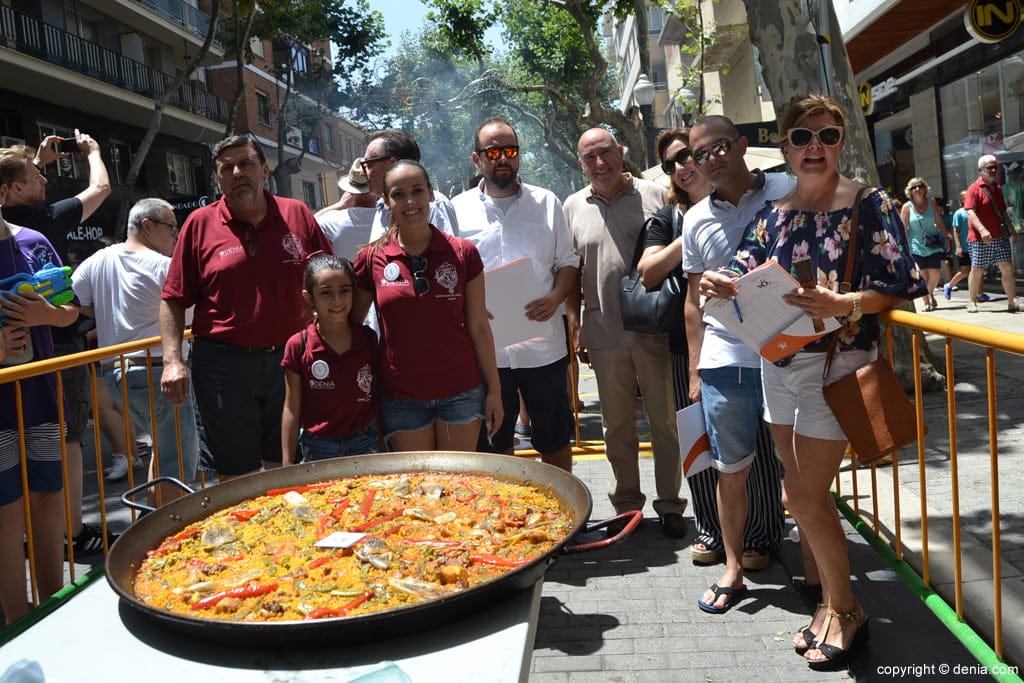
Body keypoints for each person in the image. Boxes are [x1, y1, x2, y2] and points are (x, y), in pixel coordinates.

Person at [701, 94, 925, 669]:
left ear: (841, 142)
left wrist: (844, 301)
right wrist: (720, 283)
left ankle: (848, 612)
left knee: (801, 494)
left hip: (838, 367)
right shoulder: (775, 214)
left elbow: (899, 283)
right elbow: (746, 266)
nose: (814, 149)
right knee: (805, 496)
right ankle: (828, 603)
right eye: (802, 138)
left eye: (826, 136)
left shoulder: (869, 204)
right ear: (786, 147)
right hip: (780, 364)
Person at [160, 135, 333, 480]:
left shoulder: (297, 213)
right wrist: (172, 361)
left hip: (292, 361)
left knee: (288, 463)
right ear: (218, 178)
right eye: (227, 168)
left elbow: (327, 280)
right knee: (235, 473)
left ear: (265, 170)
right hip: (224, 368)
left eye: (247, 164)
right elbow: (173, 297)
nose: (238, 173)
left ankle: (289, 531)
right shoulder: (198, 224)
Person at [682, 115, 790, 602]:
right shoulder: (695, 218)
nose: (712, 159)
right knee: (730, 469)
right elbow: (691, 301)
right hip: (725, 358)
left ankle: (817, 571)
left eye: (720, 146)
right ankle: (732, 567)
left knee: (800, 469)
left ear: (743, 144)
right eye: (701, 153)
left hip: (790, 351)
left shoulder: (787, 188)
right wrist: (694, 368)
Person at [563, 128, 686, 539]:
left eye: (605, 153)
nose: (599, 163)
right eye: (589, 157)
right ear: (580, 163)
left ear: (620, 152)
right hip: (603, 333)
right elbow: (570, 272)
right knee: (616, 427)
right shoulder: (572, 206)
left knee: (665, 422)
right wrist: (575, 324)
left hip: (655, 331)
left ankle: (670, 503)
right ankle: (627, 506)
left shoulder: (656, 195)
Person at [0, 137, 113, 553]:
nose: (44, 179)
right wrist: (93, 153)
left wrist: (30, 161)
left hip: (27, 359)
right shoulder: (42, 223)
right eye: (36, 175)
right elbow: (100, 189)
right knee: (68, 439)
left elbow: (11, 176)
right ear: (10, 188)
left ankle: (34, 534)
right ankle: (73, 531)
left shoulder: (24, 217)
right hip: (54, 355)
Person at [452, 117, 578, 472]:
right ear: (476, 160)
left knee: (554, 439)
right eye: (493, 152)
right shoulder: (456, 210)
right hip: (486, 352)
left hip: (543, 349)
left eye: (510, 150)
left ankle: (563, 520)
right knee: (496, 444)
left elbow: (568, 262)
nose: (502, 158)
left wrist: (555, 298)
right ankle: (506, 525)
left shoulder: (547, 202)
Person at [352, 160, 502, 451]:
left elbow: (479, 326)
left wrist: (495, 391)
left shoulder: (463, 253)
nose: (410, 201)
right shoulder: (371, 259)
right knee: (417, 490)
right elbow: (355, 331)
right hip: (401, 398)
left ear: (431, 194)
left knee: (458, 485)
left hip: (461, 393)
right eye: (398, 194)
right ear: (385, 201)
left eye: (417, 190)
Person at [73, 198, 200, 506]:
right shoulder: (165, 267)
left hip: (115, 374)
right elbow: (191, 317)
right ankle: (166, 531)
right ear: (148, 226)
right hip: (158, 372)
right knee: (177, 461)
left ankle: (151, 519)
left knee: (164, 450)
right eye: (172, 228)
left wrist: (107, 313)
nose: (176, 235)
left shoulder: (99, 259)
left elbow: (73, 299)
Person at [636, 129, 720, 554]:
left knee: (755, 443)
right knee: (696, 439)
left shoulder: (740, 204)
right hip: (686, 346)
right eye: (671, 164)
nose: (683, 166)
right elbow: (647, 272)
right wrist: (692, 232)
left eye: (688, 155)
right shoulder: (668, 218)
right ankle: (709, 527)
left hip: (748, 343)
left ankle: (759, 531)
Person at [0, 195, 79, 624]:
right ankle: (16, 619)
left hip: (42, 397)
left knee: (48, 498)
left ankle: (53, 607)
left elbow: (71, 313)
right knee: (4, 510)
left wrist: (45, 314)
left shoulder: (34, 242)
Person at [281, 254, 379, 463]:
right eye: (326, 293)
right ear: (309, 297)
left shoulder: (368, 340)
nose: (337, 300)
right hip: (318, 447)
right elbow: (291, 408)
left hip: (365, 442)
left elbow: (380, 397)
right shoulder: (298, 346)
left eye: (344, 291)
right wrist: (287, 466)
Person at [362, 130, 459, 242]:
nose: (362, 173)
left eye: (368, 164)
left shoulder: (434, 204)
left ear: (392, 164)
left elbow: (447, 256)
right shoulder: (381, 206)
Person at [964, 154, 1022, 313]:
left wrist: (1013, 232)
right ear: (980, 170)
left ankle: (1012, 302)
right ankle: (972, 301)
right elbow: (970, 212)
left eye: (995, 166)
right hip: (979, 239)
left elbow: (1003, 213)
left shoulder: (996, 188)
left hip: (999, 236)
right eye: (990, 167)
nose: (994, 170)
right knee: (977, 270)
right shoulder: (974, 188)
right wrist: (982, 230)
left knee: (1007, 267)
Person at [900, 178, 950, 312]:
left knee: (935, 274)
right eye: (914, 187)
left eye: (920, 186)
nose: (917, 189)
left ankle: (929, 293)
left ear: (924, 189)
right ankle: (927, 302)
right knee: (922, 275)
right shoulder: (906, 207)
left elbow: (939, 221)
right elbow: (903, 228)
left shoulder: (932, 202)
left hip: (932, 243)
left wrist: (946, 237)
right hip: (915, 245)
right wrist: (903, 248)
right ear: (910, 191)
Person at [315, 159, 379, 260]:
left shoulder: (333, 220)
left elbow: (310, 223)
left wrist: (340, 205)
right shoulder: (388, 217)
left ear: (350, 190)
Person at [944, 190, 971, 299]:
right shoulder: (959, 213)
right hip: (964, 247)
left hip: (975, 246)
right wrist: (958, 246)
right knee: (965, 271)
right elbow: (956, 231)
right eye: (966, 197)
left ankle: (978, 294)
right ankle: (949, 286)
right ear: (962, 200)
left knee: (976, 270)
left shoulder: (974, 211)